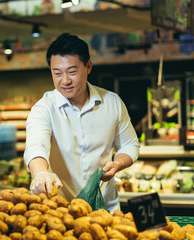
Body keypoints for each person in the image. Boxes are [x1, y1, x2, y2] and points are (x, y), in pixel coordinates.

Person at [23, 33, 140, 212]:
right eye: (57, 73)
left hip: (105, 209)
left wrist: (118, 164)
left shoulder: (112, 102)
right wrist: (41, 174)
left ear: (88, 67)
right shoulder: (43, 108)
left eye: (72, 72)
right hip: (61, 210)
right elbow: (36, 147)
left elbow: (130, 145)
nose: (65, 80)